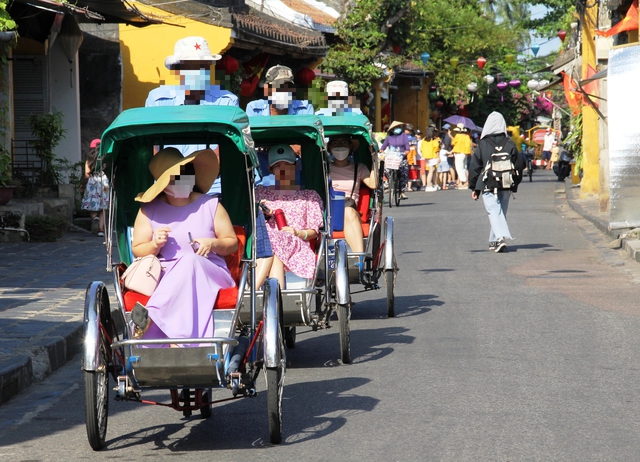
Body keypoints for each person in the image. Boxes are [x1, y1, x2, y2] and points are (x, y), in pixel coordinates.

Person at [130, 148, 238, 342]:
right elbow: (138, 248)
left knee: (190, 260)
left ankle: (153, 315)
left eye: (185, 174)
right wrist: (155, 245)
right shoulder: (149, 210)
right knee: (187, 262)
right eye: (175, 178)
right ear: (163, 185)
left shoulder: (210, 205)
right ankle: (177, 341)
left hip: (210, 271)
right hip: (165, 276)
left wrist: (212, 243)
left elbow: (232, 244)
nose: (182, 180)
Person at [255, 144, 324, 290]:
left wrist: (297, 232)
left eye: (287, 164)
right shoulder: (260, 193)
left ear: (296, 165)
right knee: (271, 244)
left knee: (272, 241)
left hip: (297, 247)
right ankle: (276, 302)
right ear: (270, 169)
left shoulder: (309, 196)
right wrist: (261, 210)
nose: (283, 169)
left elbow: (314, 231)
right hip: (264, 246)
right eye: (278, 165)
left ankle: (252, 291)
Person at [469, 112, 524, 253]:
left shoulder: (482, 144)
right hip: (506, 183)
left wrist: (474, 188)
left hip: (487, 183)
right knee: (500, 212)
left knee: (493, 210)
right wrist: (515, 184)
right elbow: (519, 164)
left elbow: (475, 167)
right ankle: (494, 241)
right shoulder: (509, 142)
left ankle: (500, 238)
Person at [145, 36, 238, 108]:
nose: (198, 73)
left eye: (203, 67)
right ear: (177, 71)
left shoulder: (227, 102)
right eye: (190, 68)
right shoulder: (158, 100)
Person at [327, 136, 377, 252]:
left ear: (350, 147)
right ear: (329, 147)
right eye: (335, 143)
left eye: (344, 142)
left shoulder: (359, 167)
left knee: (348, 211)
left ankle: (359, 259)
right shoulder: (324, 168)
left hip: (350, 209)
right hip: (329, 212)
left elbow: (373, 183)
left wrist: (375, 159)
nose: (340, 146)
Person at [246, 65, 315, 116]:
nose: (285, 91)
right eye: (279, 87)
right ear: (268, 90)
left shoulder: (305, 109)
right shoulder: (254, 109)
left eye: (289, 87)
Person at [80, 139, 109, 238]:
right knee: (103, 207)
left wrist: (82, 185)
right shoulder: (106, 158)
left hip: (93, 182)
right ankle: (101, 230)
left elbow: (87, 174)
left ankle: (95, 218)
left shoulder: (89, 159)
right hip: (104, 182)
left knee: (91, 205)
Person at [380, 121, 410, 199]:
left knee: (404, 173)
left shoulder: (404, 136)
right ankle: (389, 182)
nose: (398, 129)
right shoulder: (389, 137)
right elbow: (383, 147)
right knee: (385, 170)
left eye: (399, 127)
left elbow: (407, 147)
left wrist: (405, 152)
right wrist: (381, 151)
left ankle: (402, 192)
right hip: (391, 158)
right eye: (396, 127)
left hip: (401, 158)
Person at [451, 123, 473, 188]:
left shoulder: (457, 136)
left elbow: (453, 143)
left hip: (459, 153)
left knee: (459, 168)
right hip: (465, 153)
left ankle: (464, 181)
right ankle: (464, 182)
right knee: (464, 167)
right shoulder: (467, 136)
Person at [419, 126, 440, 191]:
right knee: (431, 171)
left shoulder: (424, 139)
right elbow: (436, 149)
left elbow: (421, 148)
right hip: (432, 156)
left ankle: (434, 185)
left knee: (432, 170)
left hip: (426, 156)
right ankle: (428, 186)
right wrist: (438, 157)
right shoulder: (433, 140)